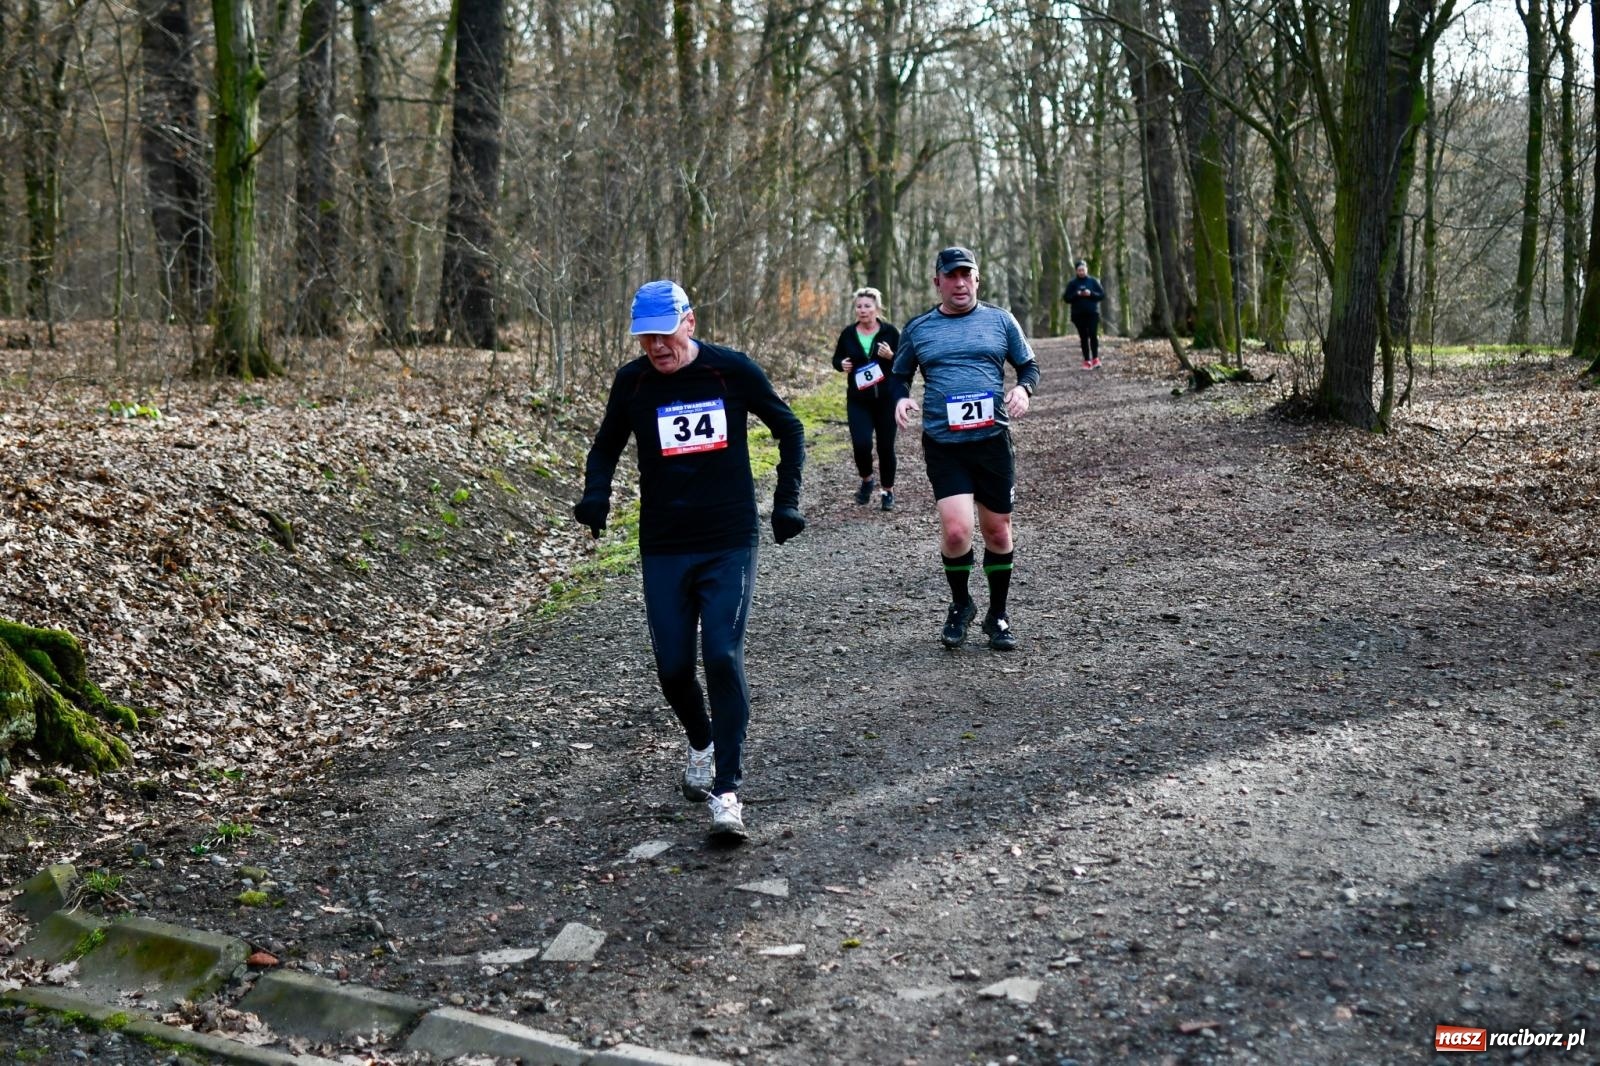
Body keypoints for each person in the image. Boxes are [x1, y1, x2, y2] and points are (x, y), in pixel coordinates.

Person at [574, 280, 806, 842]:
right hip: (664, 544)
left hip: (728, 539)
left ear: (690, 323)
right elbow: (606, 445)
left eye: (664, 333)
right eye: (645, 336)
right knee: (674, 669)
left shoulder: (731, 371)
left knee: (722, 655)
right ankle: (701, 742)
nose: (656, 346)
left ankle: (727, 791)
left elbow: (789, 428)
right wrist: (596, 493)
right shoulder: (633, 383)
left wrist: (786, 501)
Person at [891, 246, 1040, 652]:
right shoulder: (919, 328)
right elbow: (898, 375)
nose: (959, 283)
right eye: (951, 276)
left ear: (977, 278)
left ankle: (998, 613)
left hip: (992, 441)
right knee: (957, 531)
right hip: (945, 443)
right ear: (937, 281)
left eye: (966, 275)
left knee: (997, 529)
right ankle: (961, 603)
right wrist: (900, 399)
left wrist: (1023, 390)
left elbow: (1029, 366)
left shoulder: (1000, 321)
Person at [830, 287, 900, 511]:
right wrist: (841, 365)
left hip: (886, 399)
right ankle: (867, 480)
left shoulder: (890, 332)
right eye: (859, 306)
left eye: (867, 306)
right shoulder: (848, 333)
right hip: (858, 400)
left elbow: (905, 361)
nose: (862, 310)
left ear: (877, 308)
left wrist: (891, 356)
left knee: (885, 447)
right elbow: (837, 359)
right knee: (861, 444)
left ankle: (887, 491)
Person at [1062, 259, 1106, 369]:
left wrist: (1090, 294)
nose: (1081, 272)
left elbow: (1101, 295)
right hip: (1078, 314)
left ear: (1086, 269)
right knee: (1083, 337)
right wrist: (1077, 294)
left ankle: (1095, 358)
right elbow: (1066, 298)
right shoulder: (1072, 284)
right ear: (1076, 271)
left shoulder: (1093, 281)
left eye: (1083, 269)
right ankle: (1087, 360)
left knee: (1093, 335)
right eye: (1079, 270)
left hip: (1092, 313)